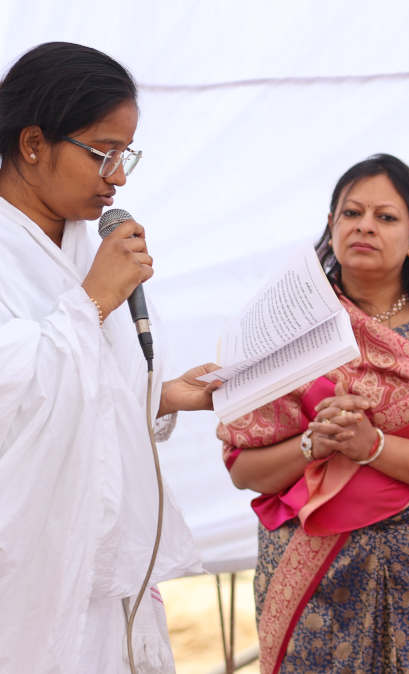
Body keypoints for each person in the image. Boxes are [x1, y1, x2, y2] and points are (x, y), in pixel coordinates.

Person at [218, 153, 409, 673]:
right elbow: (243, 470)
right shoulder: (285, 324)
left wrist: (373, 447)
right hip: (313, 568)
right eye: (352, 213)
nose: (366, 226)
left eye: (386, 217)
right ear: (331, 224)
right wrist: (312, 446)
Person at [0, 42, 221, 673]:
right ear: (33, 143)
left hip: (103, 564)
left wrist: (166, 391)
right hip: (27, 564)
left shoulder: (79, 239)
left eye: (126, 154)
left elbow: (88, 391)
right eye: (103, 152)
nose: (118, 176)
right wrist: (93, 299)